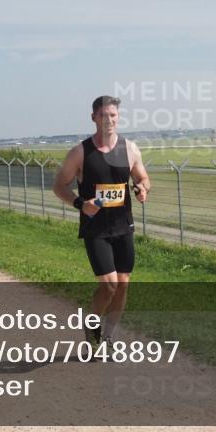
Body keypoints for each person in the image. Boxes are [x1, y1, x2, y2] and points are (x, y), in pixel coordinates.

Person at [52, 95, 150, 349]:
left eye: (113, 115)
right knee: (109, 285)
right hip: (95, 228)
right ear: (94, 117)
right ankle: (92, 324)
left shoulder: (130, 149)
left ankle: (108, 337)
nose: (109, 120)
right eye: (104, 115)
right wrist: (79, 204)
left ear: (118, 117)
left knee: (123, 285)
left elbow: (143, 178)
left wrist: (141, 188)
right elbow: (59, 186)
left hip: (123, 225)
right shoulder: (80, 152)